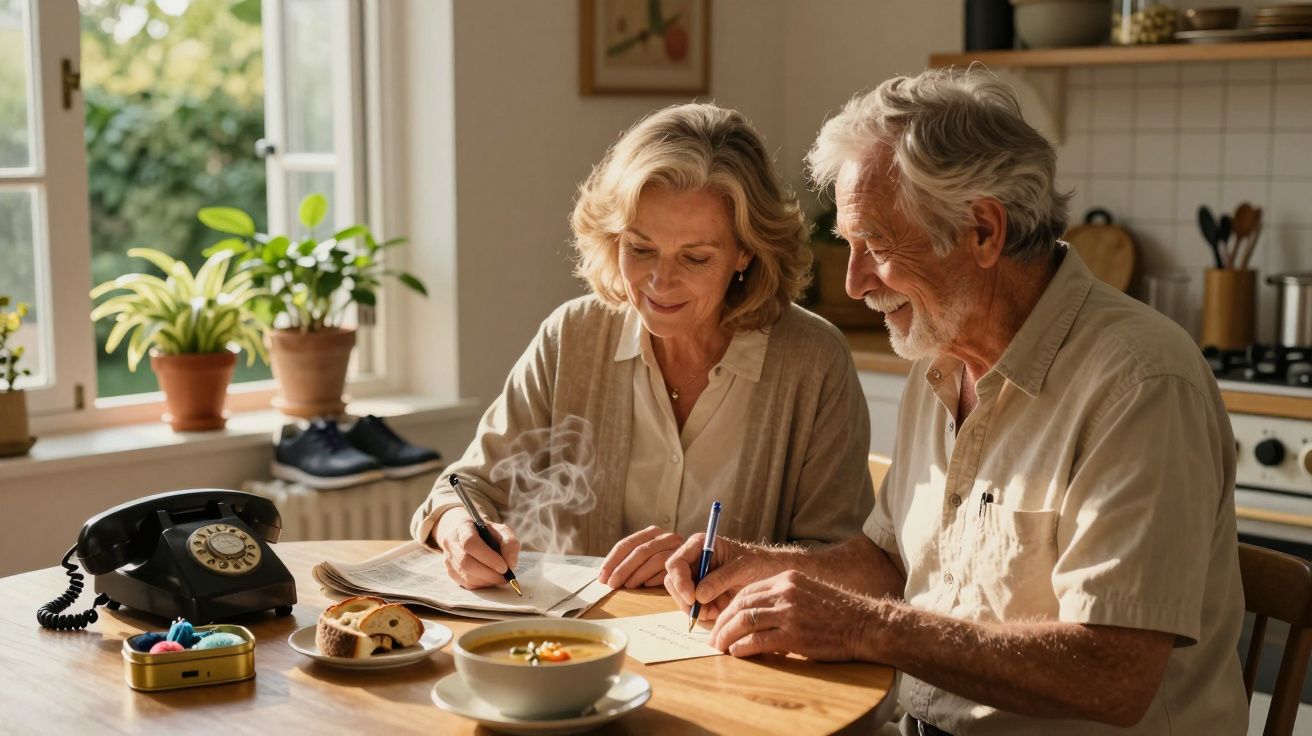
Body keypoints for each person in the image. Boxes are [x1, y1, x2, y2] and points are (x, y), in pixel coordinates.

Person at [665, 69, 1247, 735]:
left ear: (983, 231)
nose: (854, 283)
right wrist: (764, 565)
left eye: (876, 248)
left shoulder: (1140, 384)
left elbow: (1113, 673)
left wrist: (866, 628)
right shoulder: (940, 353)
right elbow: (891, 564)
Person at [411, 103, 874, 593]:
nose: (659, 282)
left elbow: (845, 564)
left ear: (746, 252)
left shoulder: (813, 361)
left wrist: (728, 566)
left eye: (694, 257)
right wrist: (459, 529)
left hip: (733, 659)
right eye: (640, 249)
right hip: (578, 652)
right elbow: (464, 489)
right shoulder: (571, 337)